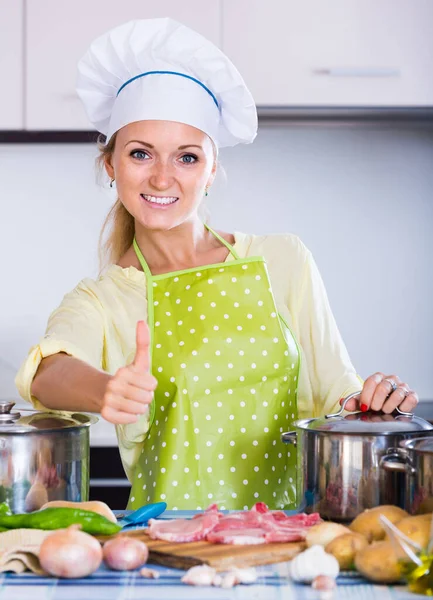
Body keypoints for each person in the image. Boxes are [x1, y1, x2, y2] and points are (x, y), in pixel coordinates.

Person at [15, 18, 418, 511]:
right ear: (111, 166)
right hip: (171, 550)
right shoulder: (102, 299)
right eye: (141, 154)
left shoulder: (282, 259)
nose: (162, 178)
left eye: (186, 158)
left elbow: (339, 394)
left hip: (291, 537)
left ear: (210, 172)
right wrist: (105, 389)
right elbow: (46, 372)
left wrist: (373, 401)